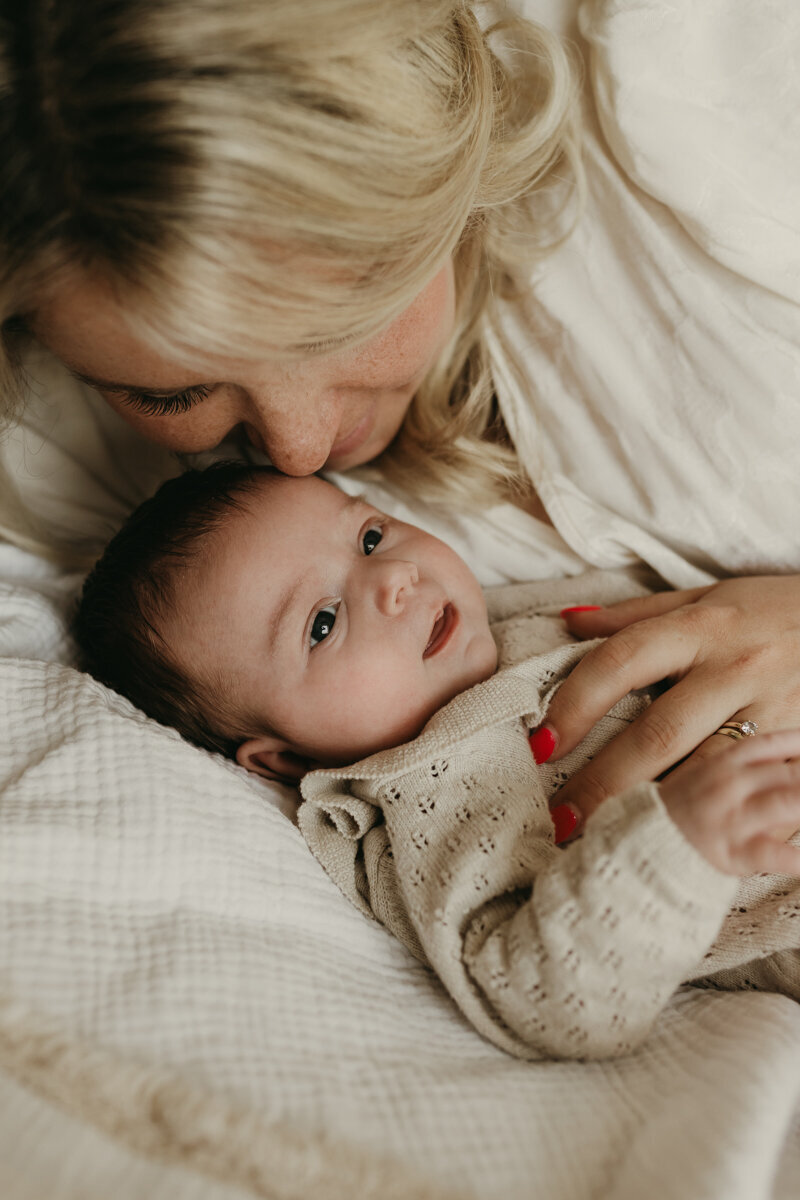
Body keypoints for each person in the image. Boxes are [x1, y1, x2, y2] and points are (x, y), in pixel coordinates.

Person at [3, 0, 800, 826]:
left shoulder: (687, 74)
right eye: (171, 394)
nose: (301, 449)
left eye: (337, 326)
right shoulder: (142, 505)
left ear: (424, 170)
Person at [74, 461, 800, 1060]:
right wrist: (679, 845)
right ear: (284, 758)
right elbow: (546, 998)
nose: (394, 580)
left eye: (369, 535)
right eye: (322, 623)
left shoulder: (524, 611)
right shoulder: (425, 790)